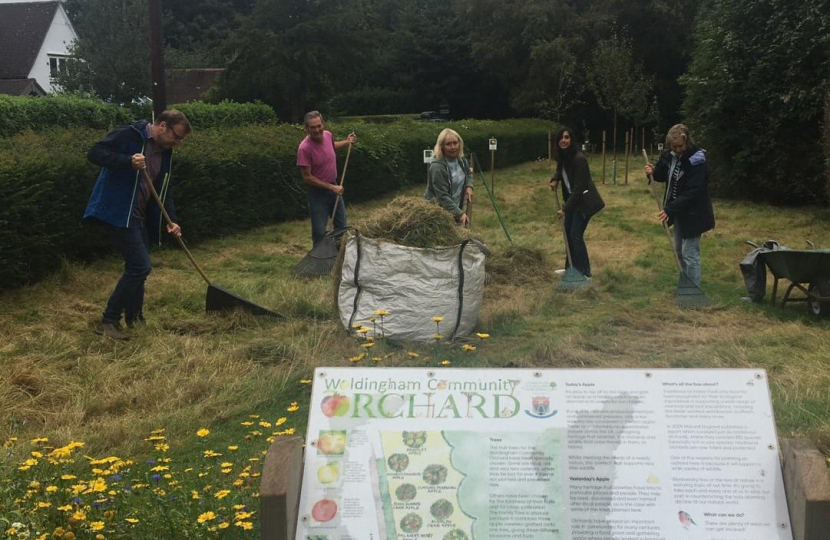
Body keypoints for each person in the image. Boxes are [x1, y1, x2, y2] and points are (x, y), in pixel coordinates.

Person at [84, 109, 192, 341]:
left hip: (139, 215)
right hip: (118, 212)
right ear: (162, 125)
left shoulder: (165, 152)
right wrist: (127, 161)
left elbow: (164, 190)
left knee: (138, 269)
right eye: (177, 136)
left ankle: (134, 317)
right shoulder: (130, 134)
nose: (178, 143)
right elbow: (94, 152)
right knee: (140, 266)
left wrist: (170, 220)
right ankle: (109, 320)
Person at [644, 123, 715, 286]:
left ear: (687, 141)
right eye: (673, 146)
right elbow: (661, 175)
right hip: (678, 213)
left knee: (689, 253)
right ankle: (685, 285)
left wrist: (669, 209)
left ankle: (693, 292)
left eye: (680, 146)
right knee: (679, 252)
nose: (677, 149)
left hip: (694, 213)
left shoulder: (697, 160)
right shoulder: (669, 155)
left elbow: (693, 191)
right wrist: (652, 172)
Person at [549, 127, 605, 277]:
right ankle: (570, 268)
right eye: (561, 137)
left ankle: (585, 273)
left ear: (572, 140)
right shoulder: (563, 157)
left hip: (584, 203)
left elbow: (579, 188)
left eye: (567, 137)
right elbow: (560, 168)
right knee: (568, 234)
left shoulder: (579, 159)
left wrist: (564, 209)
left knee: (575, 236)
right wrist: (555, 179)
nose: (563, 140)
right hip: (573, 203)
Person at [297, 111, 357, 246]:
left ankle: (338, 258)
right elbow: (307, 177)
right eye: (313, 127)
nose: (317, 130)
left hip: (335, 189)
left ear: (323, 124)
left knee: (341, 227)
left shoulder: (328, 135)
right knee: (319, 232)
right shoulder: (304, 148)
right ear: (306, 128)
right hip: (317, 194)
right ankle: (319, 262)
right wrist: (331, 187)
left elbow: (331, 146)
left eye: (319, 126)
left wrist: (347, 142)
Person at [424, 128, 473, 226]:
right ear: (441, 147)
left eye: (455, 143)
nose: (453, 147)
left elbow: (468, 173)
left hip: (454, 209)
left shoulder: (462, 161)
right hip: (436, 213)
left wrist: (469, 186)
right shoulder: (437, 167)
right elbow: (441, 196)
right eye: (448, 144)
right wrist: (460, 213)